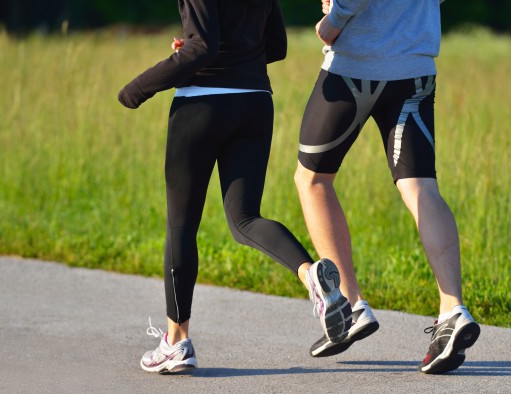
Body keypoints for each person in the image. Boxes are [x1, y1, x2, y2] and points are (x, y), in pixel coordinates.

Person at [117, 0, 352, 374]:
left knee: (181, 226)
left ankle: (176, 342)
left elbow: (203, 49)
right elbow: (276, 46)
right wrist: (229, 53)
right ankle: (311, 276)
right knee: (245, 218)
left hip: (201, 106)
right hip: (255, 104)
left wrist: (137, 88)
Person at [293, 0, 480, 374]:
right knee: (421, 186)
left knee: (312, 179)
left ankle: (349, 304)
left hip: (356, 66)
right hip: (415, 65)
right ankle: (452, 310)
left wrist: (336, 18)